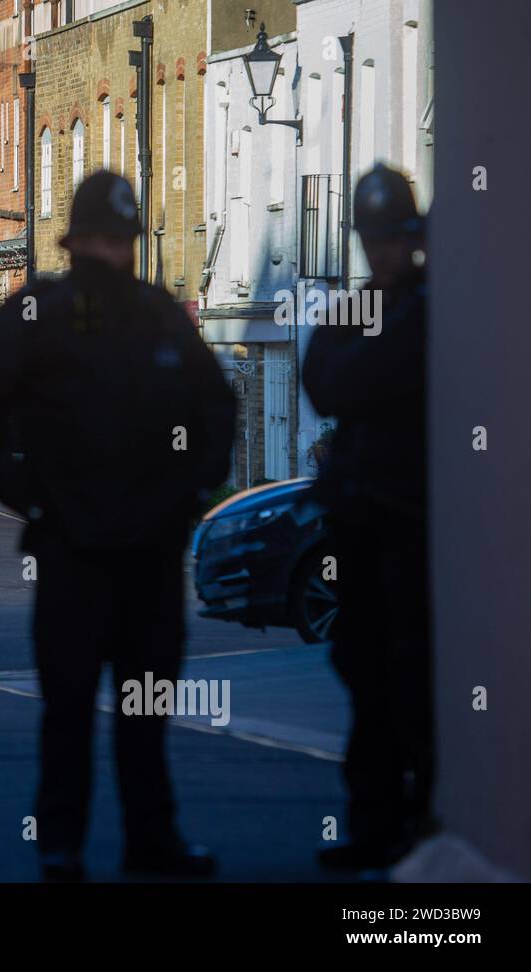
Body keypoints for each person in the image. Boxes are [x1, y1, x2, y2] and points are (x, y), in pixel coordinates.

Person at [0, 171, 235, 882]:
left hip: (139, 550)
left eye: (119, 240)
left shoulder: (157, 314)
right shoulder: (44, 313)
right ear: (76, 241)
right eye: (101, 239)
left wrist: (188, 495)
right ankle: (65, 847)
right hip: (75, 547)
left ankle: (144, 841)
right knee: (71, 709)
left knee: (143, 711)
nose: (110, 252)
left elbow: (217, 410)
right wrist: (28, 494)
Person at [302, 163, 432, 872]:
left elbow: (358, 377)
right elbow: (324, 382)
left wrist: (373, 369)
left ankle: (420, 817)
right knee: (366, 674)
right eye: (372, 238)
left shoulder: (432, 307)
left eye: (392, 237)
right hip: (360, 523)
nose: (381, 252)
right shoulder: (363, 310)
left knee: (415, 677)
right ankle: (375, 822)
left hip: (414, 523)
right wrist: (385, 365)